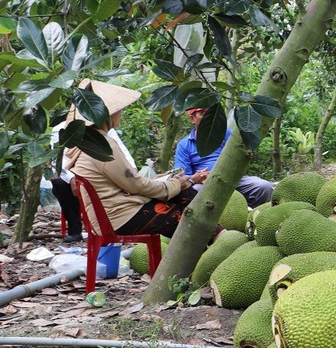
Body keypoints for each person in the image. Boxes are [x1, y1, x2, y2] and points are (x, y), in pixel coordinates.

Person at [63, 81, 199, 237]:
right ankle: (218, 239)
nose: (120, 113)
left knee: (185, 200)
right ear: (107, 114)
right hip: (120, 218)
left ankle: (217, 239)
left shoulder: (87, 143)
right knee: (192, 220)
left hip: (107, 217)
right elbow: (135, 185)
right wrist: (173, 185)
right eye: (118, 110)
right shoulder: (103, 146)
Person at [51, 80, 146, 242]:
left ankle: (112, 221)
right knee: (59, 183)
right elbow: (57, 160)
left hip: (101, 177)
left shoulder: (105, 130)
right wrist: (72, 177)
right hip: (76, 176)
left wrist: (130, 173)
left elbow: (123, 155)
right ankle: (75, 230)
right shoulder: (60, 130)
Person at [174, 107, 274, 207]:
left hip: (232, 179)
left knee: (263, 187)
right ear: (192, 119)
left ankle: (250, 216)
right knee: (194, 192)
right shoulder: (184, 145)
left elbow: (239, 158)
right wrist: (195, 178)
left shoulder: (226, 134)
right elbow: (183, 177)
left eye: (210, 113)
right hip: (204, 185)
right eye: (203, 113)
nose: (208, 117)